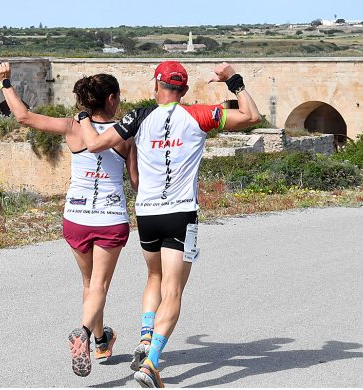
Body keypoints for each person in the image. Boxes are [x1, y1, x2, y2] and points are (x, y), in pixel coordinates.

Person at [78, 61, 261, 387]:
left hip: (147, 213)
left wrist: (81, 120)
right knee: (173, 290)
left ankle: (146, 337)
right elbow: (251, 116)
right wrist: (234, 81)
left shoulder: (138, 116)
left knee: (154, 277)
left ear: (155, 85)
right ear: (185, 90)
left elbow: (93, 144)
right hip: (182, 214)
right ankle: (150, 363)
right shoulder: (199, 114)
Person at [0, 62, 138, 377]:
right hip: (110, 217)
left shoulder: (73, 127)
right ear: (112, 100)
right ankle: (84, 335)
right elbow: (136, 181)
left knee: (89, 284)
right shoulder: (125, 135)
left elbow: (24, 117)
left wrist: (5, 83)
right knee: (99, 284)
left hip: (75, 217)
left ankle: (101, 340)